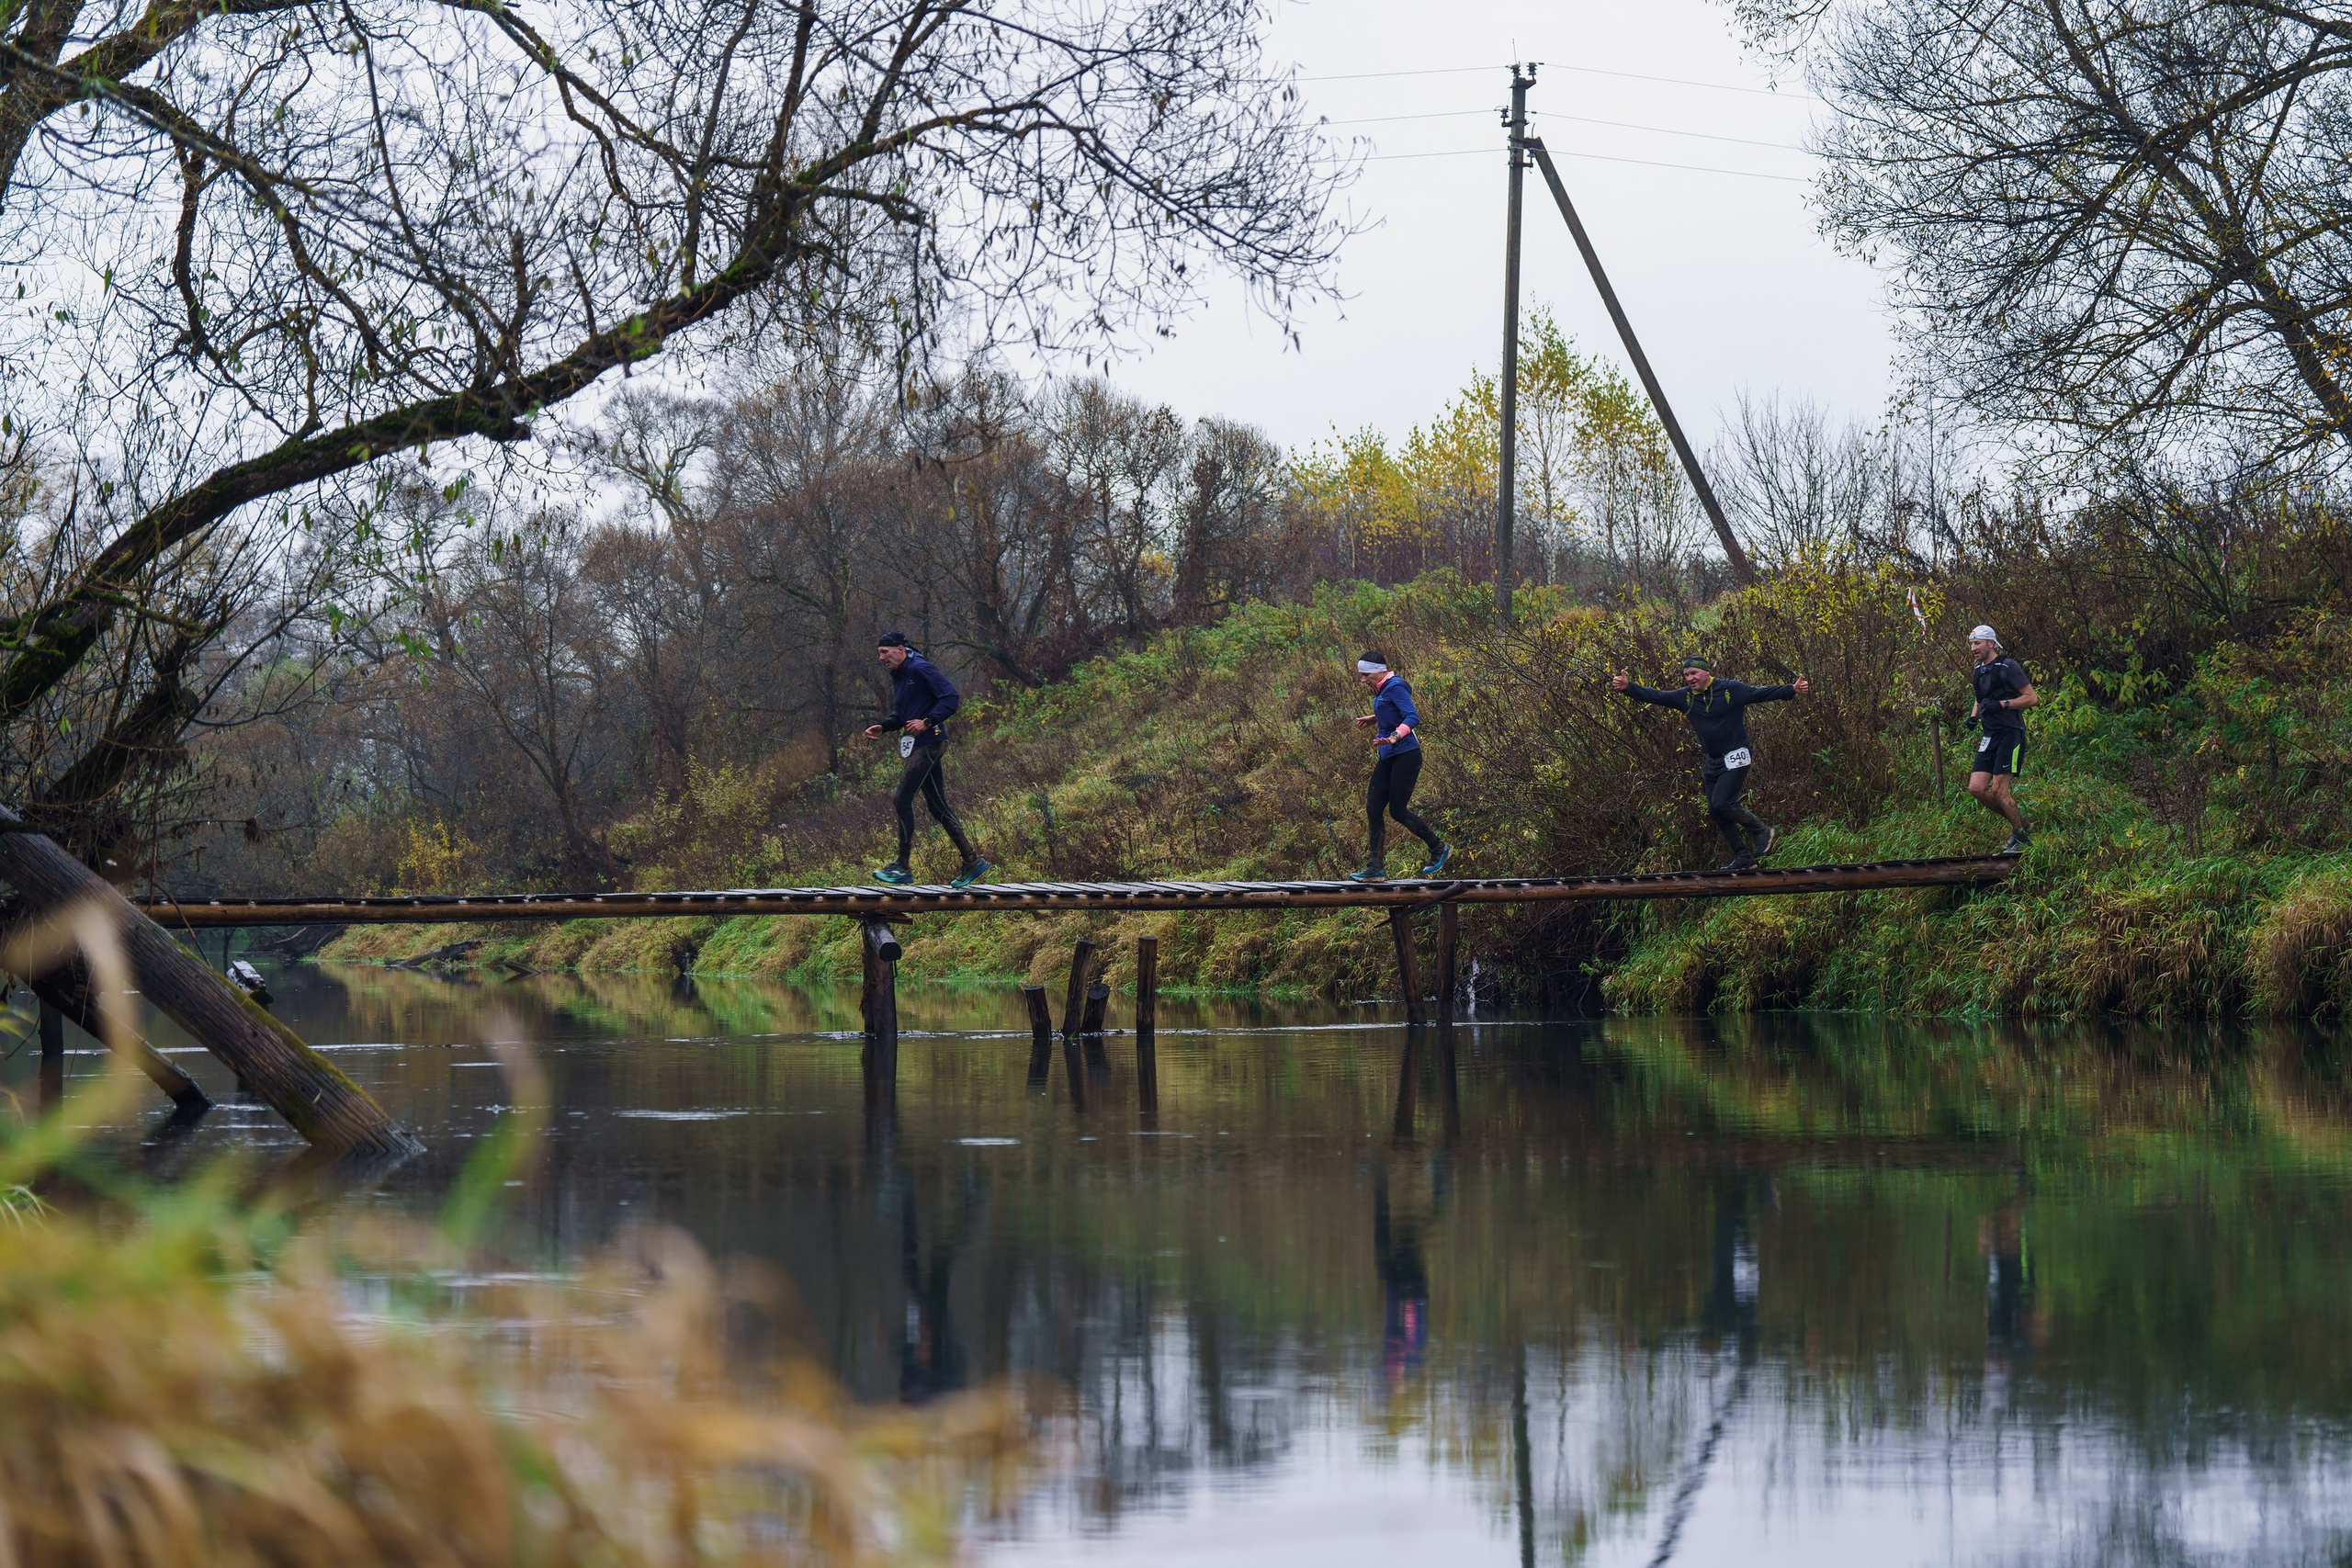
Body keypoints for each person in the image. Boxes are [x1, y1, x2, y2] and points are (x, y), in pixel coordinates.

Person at [1611, 656, 1810, 871]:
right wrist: (1628, 687)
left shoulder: (1729, 689)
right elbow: (1658, 696)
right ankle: (1743, 857)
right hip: (1713, 761)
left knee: (1722, 803)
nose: (1690, 678)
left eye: (1694, 673)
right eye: (1686, 675)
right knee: (1715, 811)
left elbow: (1759, 693)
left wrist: (1791, 689)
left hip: (1737, 754)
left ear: (1706, 672)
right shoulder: (1686, 697)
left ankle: (1760, 830)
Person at [863, 632, 989, 886]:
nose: (881, 658)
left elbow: (951, 698)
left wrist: (928, 721)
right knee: (937, 806)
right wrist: (884, 726)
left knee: (901, 799)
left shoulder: (920, 668)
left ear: (900, 649)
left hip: (931, 742)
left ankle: (902, 867)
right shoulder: (900, 676)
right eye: (879, 653)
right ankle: (972, 861)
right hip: (921, 745)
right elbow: (901, 715)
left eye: (885, 652)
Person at [1349, 651, 1449, 882]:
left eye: (1366, 674)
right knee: (1373, 807)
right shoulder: (1383, 690)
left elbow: (1412, 716)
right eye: (1361, 675)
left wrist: (1395, 735)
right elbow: (1391, 709)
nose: (1362, 680)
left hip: (1406, 754)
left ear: (1380, 670)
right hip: (1389, 755)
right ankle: (1375, 867)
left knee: (1398, 810)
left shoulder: (1394, 686)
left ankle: (1438, 847)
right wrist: (1375, 718)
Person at [1965, 624, 2036, 853]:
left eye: (1977, 643)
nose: (1974, 648)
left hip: (2010, 733)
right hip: (1989, 736)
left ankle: (2021, 838)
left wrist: (2003, 704)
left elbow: (2031, 698)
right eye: (1972, 644)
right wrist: (1973, 717)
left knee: (1998, 790)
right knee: (1976, 788)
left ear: (1991, 644)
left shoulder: (2007, 666)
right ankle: (2020, 824)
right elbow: (1980, 697)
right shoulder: (1978, 668)